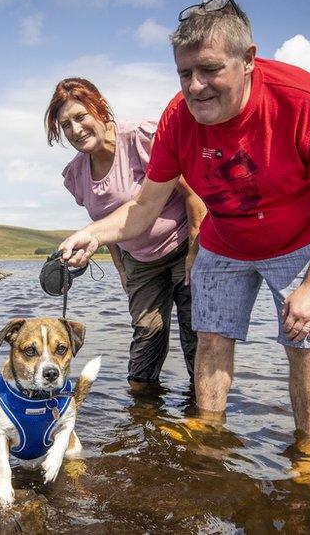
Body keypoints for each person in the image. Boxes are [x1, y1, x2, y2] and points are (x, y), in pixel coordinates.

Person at [59, 0, 310, 441]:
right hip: (225, 240)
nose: (196, 86)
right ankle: (207, 438)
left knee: (305, 342)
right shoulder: (176, 119)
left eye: (209, 70)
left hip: (300, 237)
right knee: (210, 338)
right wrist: (92, 234)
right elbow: (143, 208)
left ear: (248, 60)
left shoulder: (304, 101)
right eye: (185, 73)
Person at [45, 77, 207, 388]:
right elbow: (105, 226)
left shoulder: (140, 138)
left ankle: (200, 416)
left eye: (81, 117)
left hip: (185, 246)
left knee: (195, 332)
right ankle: (141, 415)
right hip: (140, 262)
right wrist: (122, 270)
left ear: (100, 109)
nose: (76, 130)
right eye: (66, 125)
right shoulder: (76, 174)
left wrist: (195, 250)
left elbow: (193, 194)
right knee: (147, 334)